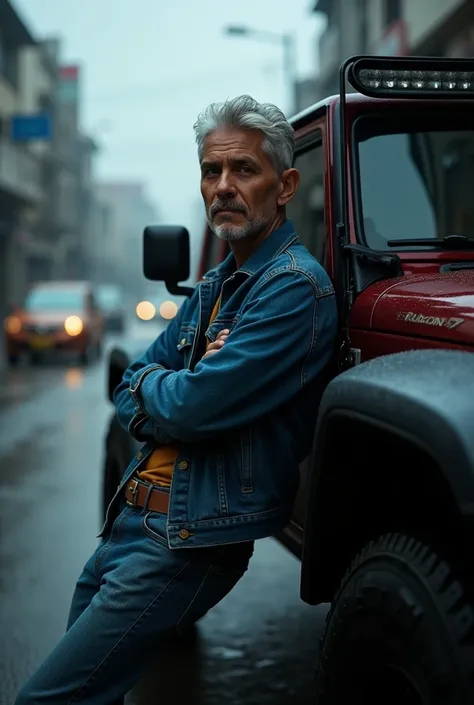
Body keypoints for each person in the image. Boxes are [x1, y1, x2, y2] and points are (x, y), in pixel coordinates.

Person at [15, 94, 338, 705]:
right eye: (211, 172)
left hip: (184, 539)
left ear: (286, 183)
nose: (222, 186)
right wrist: (159, 389)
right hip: (130, 522)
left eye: (244, 170)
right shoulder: (216, 284)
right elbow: (132, 377)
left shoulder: (295, 289)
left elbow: (187, 408)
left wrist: (160, 392)